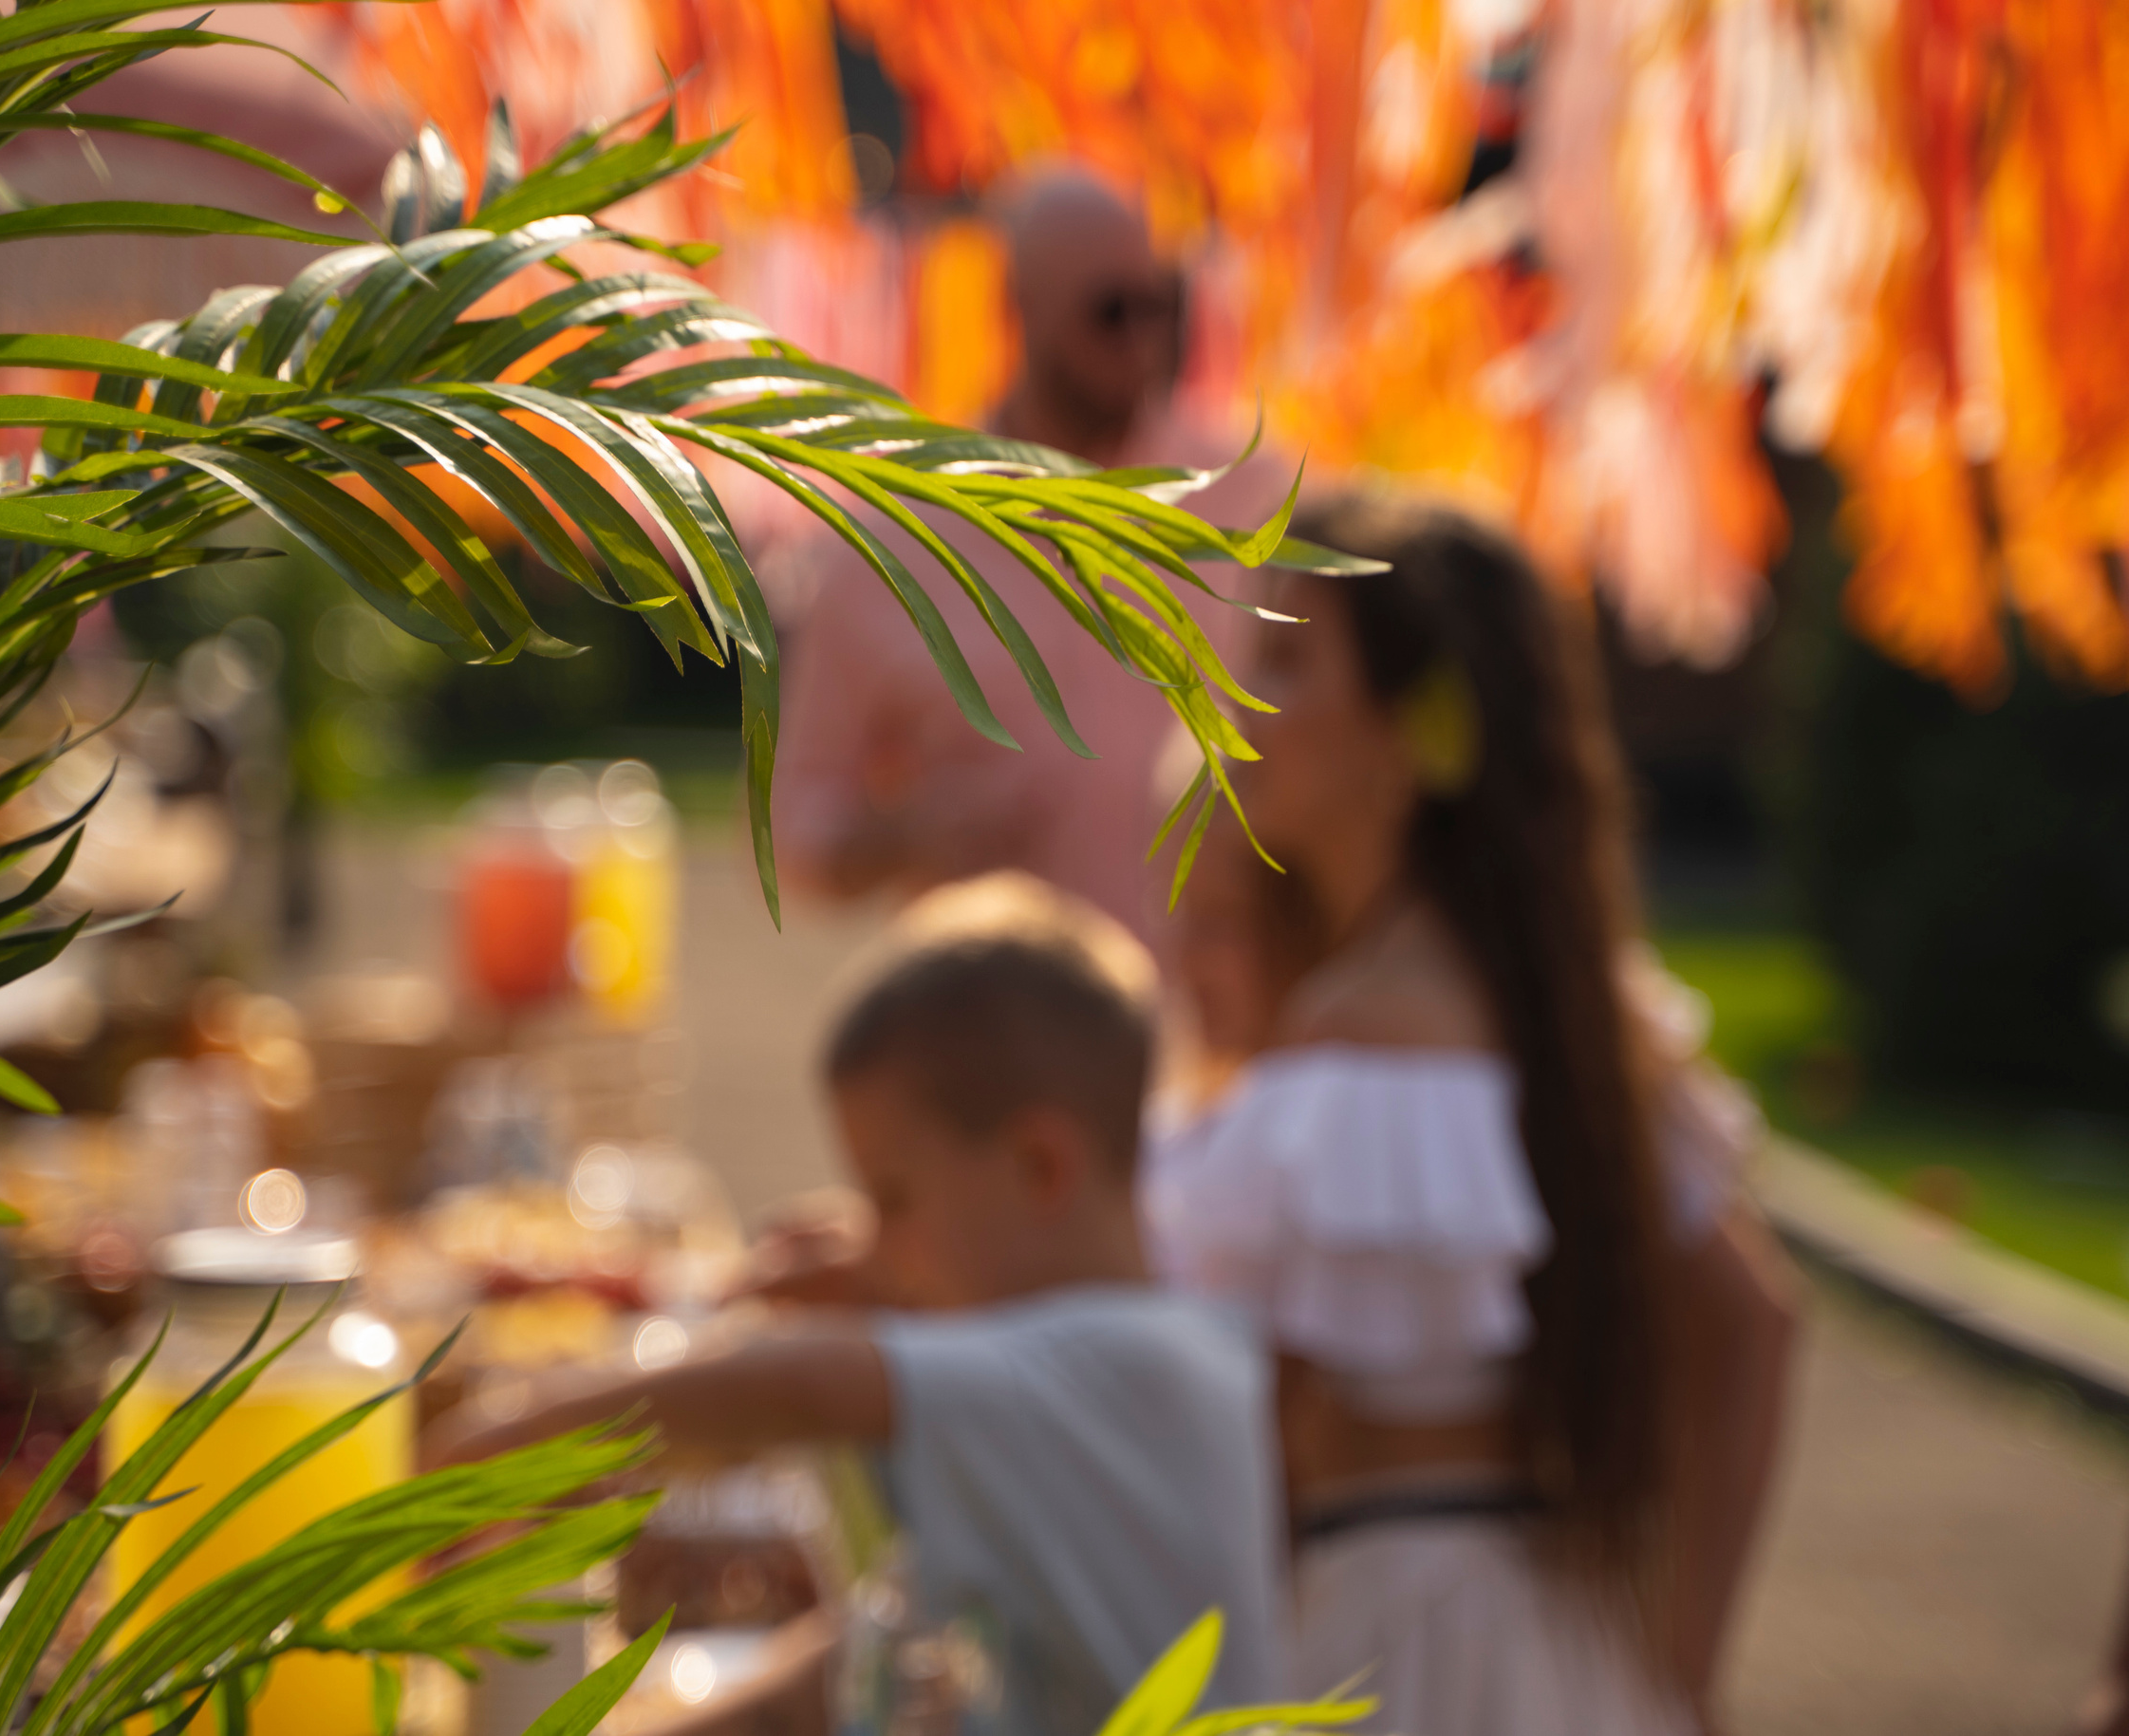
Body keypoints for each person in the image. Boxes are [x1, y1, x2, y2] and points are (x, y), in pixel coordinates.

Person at [1140, 494, 1801, 1734]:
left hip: (1392, 1630)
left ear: (1413, 728)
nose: (1242, 704)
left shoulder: (1364, 1033)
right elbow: (1756, 1321)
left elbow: (1241, 1412)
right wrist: (1684, 1663)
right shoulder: (1558, 1006)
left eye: (1289, 658)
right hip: (1555, 1626)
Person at [437, 874, 1287, 1736]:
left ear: (1041, 1166)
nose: (875, 1248)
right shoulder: (1036, 1421)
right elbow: (853, 1664)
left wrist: (503, 1443)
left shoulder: (1149, 1369)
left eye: (893, 1197)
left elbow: (811, 1384)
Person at [773, 169, 1291, 940]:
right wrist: (905, 839)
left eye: (1162, 307)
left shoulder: (1248, 499)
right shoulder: (896, 540)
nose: (1143, 341)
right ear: (1019, 309)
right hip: (997, 1031)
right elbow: (797, 837)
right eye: (1110, 312)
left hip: (1211, 1032)